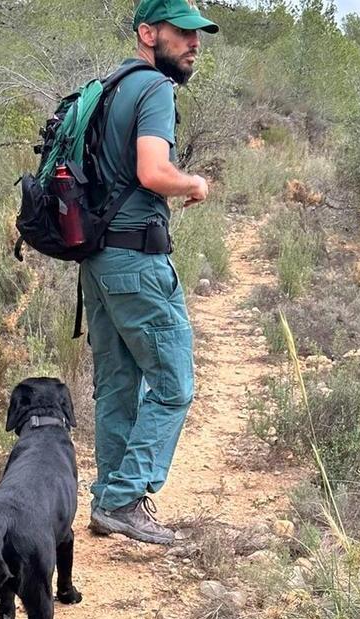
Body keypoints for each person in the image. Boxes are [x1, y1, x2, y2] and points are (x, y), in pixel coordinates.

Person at [84, 0, 217, 546]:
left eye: (198, 34)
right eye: (181, 32)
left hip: (98, 260)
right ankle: (124, 497)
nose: (194, 43)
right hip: (137, 261)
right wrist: (194, 184)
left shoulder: (110, 86)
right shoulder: (155, 89)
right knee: (173, 384)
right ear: (147, 32)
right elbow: (152, 171)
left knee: (118, 384)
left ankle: (109, 499)